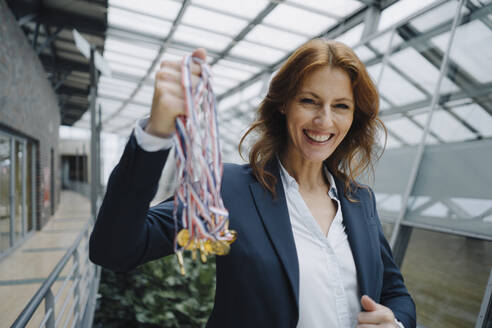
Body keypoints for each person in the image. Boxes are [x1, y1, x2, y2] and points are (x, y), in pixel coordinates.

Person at [89, 39, 416, 328]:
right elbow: (115, 250)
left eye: (341, 106)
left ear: (353, 116)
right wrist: (157, 132)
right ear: (284, 103)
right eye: (310, 101)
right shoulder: (229, 188)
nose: (324, 120)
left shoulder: (360, 200)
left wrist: (396, 323)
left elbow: (394, 292)